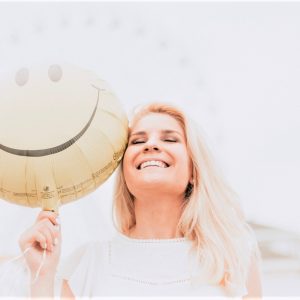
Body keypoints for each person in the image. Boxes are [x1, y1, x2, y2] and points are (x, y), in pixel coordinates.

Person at [19, 103, 262, 298]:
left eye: (170, 139)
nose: (151, 145)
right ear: (124, 172)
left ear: (194, 172)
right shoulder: (87, 265)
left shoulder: (233, 257)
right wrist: (41, 276)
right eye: (137, 141)